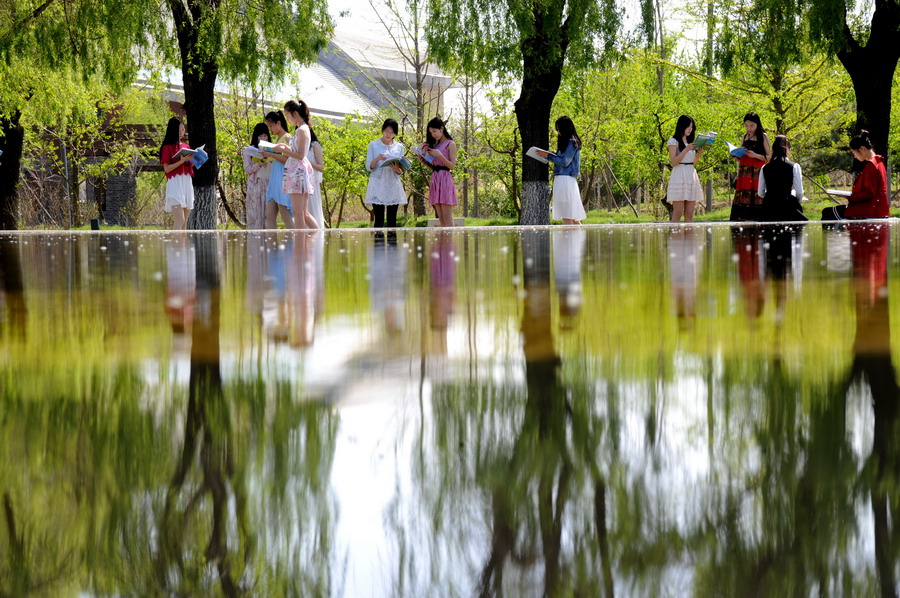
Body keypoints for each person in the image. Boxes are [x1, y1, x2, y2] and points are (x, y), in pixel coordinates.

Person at [821, 130, 890, 220]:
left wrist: (848, 196)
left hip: (869, 211)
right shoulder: (879, 162)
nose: (854, 156)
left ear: (862, 149)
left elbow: (869, 193)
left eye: (854, 153)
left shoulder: (871, 166)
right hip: (877, 209)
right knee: (830, 212)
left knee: (828, 213)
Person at [275, 100, 318, 230]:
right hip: (298, 171)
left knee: (299, 213)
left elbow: (300, 155)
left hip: (297, 172)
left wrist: (282, 150)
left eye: (287, 116)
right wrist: (285, 147)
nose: (287, 119)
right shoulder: (302, 129)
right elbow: (298, 151)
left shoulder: (301, 130)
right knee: (303, 213)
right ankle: (317, 239)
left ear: (295, 114)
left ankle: (301, 244)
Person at [537, 116, 585, 224]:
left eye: (559, 129)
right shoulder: (571, 142)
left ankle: (569, 240)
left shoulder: (571, 142)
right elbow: (565, 159)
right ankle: (579, 240)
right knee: (572, 216)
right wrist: (553, 154)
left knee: (567, 215)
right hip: (566, 181)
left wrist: (548, 156)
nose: (558, 132)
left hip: (565, 181)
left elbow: (564, 162)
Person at [729, 111, 771, 221]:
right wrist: (737, 156)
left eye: (751, 125)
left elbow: (769, 157)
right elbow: (743, 154)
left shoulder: (763, 136)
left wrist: (755, 155)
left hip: (757, 172)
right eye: (746, 125)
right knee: (744, 195)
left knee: (757, 195)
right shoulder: (745, 137)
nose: (749, 128)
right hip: (744, 173)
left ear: (757, 124)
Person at [366, 118, 407, 228]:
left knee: (392, 220)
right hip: (378, 183)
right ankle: (378, 245)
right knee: (378, 220)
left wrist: (396, 169)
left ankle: (392, 244)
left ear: (395, 133)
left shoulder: (399, 147)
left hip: (393, 184)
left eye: (392, 132)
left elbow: (401, 171)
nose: (389, 134)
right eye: (387, 131)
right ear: (382, 130)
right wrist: (377, 159)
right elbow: (368, 167)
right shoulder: (373, 145)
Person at [417, 117, 457, 227]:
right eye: (431, 132)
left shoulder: (450, 144)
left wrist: (440, 155)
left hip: (445, 180)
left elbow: (452, 166)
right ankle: (443, 243)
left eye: (434, 131)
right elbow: (436, 167)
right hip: (435, 179)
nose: (433, 134)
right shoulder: (435, 145)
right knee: (441, 219)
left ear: (442, 128)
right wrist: (425, 162)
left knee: (447, 218)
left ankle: (449, 243)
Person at [757, 135, 807, 222]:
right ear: (787, 149)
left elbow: (760, 193)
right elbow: (799, 191)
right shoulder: (794, 166)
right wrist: (796, 202)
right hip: (788, 208)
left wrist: (772, 197)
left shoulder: (764, 167)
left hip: (768, 210)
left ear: (773, 150)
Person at [665, 115, 705, 223]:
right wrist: (686, 149)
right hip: (679, 174)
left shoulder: (691, 141)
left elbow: (693, 163)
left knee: (689, 214)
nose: (690, 129)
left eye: (691, 127)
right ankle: (675, 238)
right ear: (681, 126)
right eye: (687, 126)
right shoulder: (673, 141)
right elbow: (673, 161)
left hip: (691, 174)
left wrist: (698, 154)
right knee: (678, 212)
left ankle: (689, 239)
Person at [159, 117, 194, 230]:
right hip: (175, 183)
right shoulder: (167, 147)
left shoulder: (186, 146)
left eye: (183, 130)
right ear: (172, 131)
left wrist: (194, 160)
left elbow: (189, 167)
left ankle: (182, 247)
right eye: (179, 131)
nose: (182, 133)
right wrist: (181, 161)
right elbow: (167, 169)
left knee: (185, 223)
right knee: (180, 219)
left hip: (187, 182)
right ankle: (175, 246)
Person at [264, 111, 294, 229]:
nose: (270, 129)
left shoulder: (286, 137)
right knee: (270, 215)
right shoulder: (278, 138)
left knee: (284, 211)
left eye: (271, 126)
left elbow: (289, 159)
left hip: (282, 177)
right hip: (274, 177)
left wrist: (271, 154)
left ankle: (296, 243)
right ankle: (271, 245)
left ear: (278, 123)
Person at [243, 123, 271, 230]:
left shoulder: (272, 150)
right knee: (255, 214)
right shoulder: (249, 150)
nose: (263, 138)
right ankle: (255, 243)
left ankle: (269, 243)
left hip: (268, 184)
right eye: (260, 136)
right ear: (256, 137)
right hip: (255, 184)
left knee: (268, 215)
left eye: (265, 136)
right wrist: (258, 164)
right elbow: (247, 169)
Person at [308, 128, 326, 229]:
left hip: (312, 183)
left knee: (312, 210)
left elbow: (321, 167)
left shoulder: (315, 145)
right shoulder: (298, 147)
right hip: (300, 183)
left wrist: (307, 162)